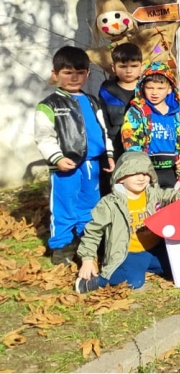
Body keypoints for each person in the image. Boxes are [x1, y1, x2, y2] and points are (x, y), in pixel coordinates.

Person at [34, 46, 114, 264]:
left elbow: (103, 130)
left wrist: (109, 154)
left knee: (90, 204)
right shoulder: (49, 105)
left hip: (93, 165)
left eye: (80, 72)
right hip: (66, 166)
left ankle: (87, 241)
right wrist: (57, 157)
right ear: (55, 74)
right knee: (65, 205)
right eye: (68, 72)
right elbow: (44, 137)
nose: (74, 77)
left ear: (87, 74)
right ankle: (62, 245)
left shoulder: (92, 101)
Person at [74, 152, 180, 293]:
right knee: (133, 281)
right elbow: (93, 231)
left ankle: (148, 265)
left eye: (145, 173)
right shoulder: (110, 203)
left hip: (155, 248)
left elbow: (168, 195)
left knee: (178, 265)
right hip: (128, 253)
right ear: (120, 177)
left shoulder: (153, 193)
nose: (141, 178)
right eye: (133, 173)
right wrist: (88, 259)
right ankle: (97, 281)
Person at [122, 61, 180, 189]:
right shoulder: (137, 112)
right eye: (150, 88)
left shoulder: (178, 112)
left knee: (173, 203)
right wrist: (140, 164)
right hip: (146, 171)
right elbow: (129, 139)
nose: (154, 93)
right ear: (142, 87)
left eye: (160, 88)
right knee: (151, 206)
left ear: (169, 89)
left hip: (173, 170)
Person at [98, 44, 142, 196]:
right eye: (123, 66)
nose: (129, 70)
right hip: (116, 148)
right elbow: (103, 122)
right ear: (113, 67)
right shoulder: (106, 90)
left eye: (134, 66)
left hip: (143, 148)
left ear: (141, 66)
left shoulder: (149, 88)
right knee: (118, 187)